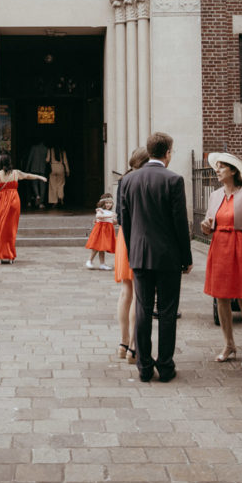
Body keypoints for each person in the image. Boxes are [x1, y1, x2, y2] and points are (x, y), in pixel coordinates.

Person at [121, 132, 192, 383]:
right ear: (168, 152)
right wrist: (186, 257)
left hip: (140, 255)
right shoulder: (174, 180)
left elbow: (125, 222)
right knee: (167, 311)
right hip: (168, 257)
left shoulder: (128, 181)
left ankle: (143, 366)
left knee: (142, 310)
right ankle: (165, 365)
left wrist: (133, 251)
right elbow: (180, 223)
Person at [202, 151, 242, 371]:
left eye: (221, 167)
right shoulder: (215, 195)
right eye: (216, 166)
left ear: (233, 171)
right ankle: (229, 344)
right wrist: (206, 226)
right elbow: (211, 223)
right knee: (221, 298)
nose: (217, 170)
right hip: (220, 248)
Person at [0, 153, 46, 262]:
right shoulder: (16, 173)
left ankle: (1, 254)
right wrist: (40, 177)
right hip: (14, 201)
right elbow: (27, 176)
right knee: (10, 229)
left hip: (1, 202)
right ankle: (9, 254)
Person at [114, 148, 149, 363]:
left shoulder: (124, 180)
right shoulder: (144, 180)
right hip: (141, 236)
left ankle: (123, 342)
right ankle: (134, 347)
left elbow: (119, 214)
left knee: (125, 290)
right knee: (139, 293)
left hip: (124, 238)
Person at [84, 193, 117, 269]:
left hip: (107, 231)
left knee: (102, 248)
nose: (108, 205)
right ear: (103, 203)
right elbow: (98, 216)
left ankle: (102, 264)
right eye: (107, 203)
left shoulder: (111, 213)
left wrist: (115, 220)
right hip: (100, 230)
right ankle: (90, 260)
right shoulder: (101, 210)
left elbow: (113, 222)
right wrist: (109, 216)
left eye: (110, 203)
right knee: (96, 247)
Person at [24, 139, 48, 208]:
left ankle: (37, 195)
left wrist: (27, 169)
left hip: (33, 169)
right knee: (42, 186)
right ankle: (41, 203)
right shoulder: (46, 149)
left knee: (34, 184)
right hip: (42, 169)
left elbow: (30, 159)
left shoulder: (33, 148)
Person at [45, 143, 70, 208]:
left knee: (53, 185)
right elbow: (65, 161)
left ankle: (54, 201)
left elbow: (47, 159)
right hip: (60, 167)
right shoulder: (62, 151)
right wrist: (67, 170)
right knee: (61, 184)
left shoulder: (50, 150)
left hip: (53, 167)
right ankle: (60, 197)